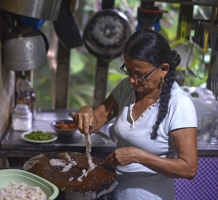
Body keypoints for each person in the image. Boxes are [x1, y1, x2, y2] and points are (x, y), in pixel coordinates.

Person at [72, 29, 198, 200]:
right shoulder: (127, 88)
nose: (132, 80)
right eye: (128, 71)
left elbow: (188, 168)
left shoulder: (179, 105)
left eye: (139, 75)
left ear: (163, 69)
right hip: (116, 190)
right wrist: (86, 111)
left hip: (150, 195)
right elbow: (96, 120)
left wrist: (138, 156)